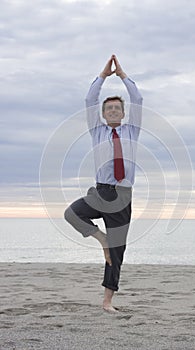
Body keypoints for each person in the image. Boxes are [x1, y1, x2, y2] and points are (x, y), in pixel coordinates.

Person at [64, 54, 143, 312]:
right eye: (108, 108)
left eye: (116, 108)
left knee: (117, 251)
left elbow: (138, 99)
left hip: (122, 196)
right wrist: (102, 76)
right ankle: (101, 239)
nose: (112, 111)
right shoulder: (97, 131)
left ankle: (107, 301)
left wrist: (122, 75)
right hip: (100, 192)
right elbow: (89, 99)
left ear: (122, 113)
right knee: (71, 213)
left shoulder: (131, 130)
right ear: (103, 114)